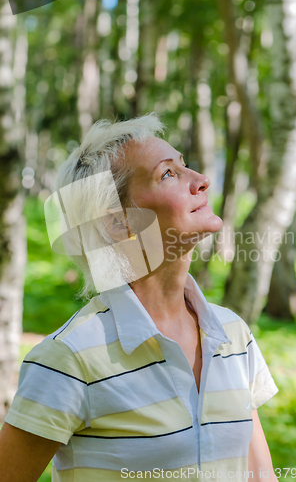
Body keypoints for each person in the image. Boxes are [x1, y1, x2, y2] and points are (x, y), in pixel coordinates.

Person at [0, 114, 279, 482]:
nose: (201, 181)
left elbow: (261, 477)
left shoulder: (233, 335)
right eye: (168, 174)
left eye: (185, 165)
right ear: (120, 222)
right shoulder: (70, 359)